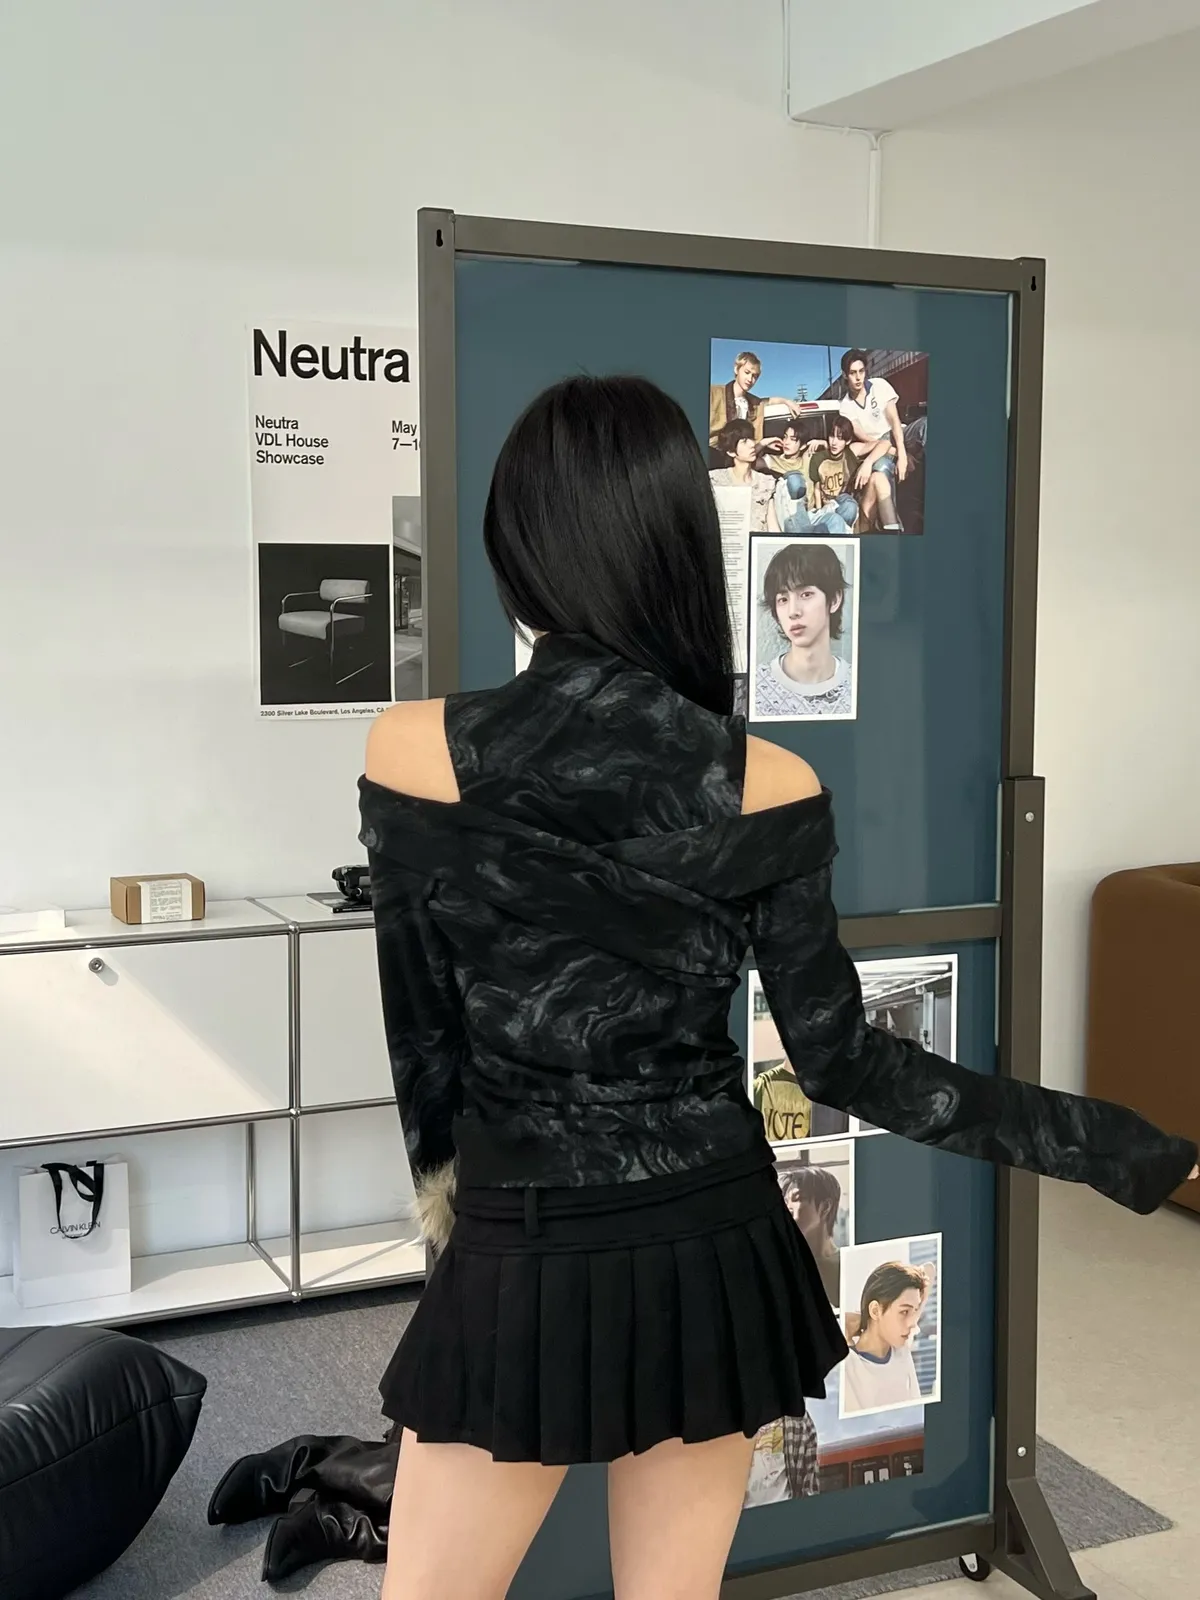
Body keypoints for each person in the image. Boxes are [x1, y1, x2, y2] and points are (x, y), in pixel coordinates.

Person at [277, 372, 1188, 1600]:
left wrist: (454, 1234)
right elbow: (850, 1061)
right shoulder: (768, 780)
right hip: (708, 1243)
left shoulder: (411, 747)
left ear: (519, 544)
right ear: (676, 547)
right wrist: (1114, 1144)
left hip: (523, 1242)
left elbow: (423, 1044)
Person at [753, 541, 854, 718]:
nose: (793, 612)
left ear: (834, 599)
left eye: (806, 594)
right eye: (783, 599)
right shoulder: (755, 688)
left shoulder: (858, 684)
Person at [841, 1263, 930, 1417]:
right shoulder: (848, 1364)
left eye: (915, 1312)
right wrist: (850, 1322)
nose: (912, 1323)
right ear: (875, 1311)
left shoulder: (901, 1350)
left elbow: (929, 1269)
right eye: (904, 1312)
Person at [838, 348, 906, 532]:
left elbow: (894, 420)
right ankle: (891, 523)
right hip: (879, 447)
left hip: (900, 433)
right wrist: (894, 452)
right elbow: (868, 439)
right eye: (853, 373)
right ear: (845, 375)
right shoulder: (846, 407)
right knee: (880, 467)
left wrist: (902, 453)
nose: (858, 377)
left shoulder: (879, 385)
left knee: (924, 427)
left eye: (861, 371)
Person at [709, 349, 801, 460]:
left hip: (741, 460)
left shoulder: (753, 403)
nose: (750, 379)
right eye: (747, 372)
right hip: (713, 457)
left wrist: (787, 401)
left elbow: (769, 401)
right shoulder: (713, 393)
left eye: (755, 376)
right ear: (736, 369)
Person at [782, 1164, 843, 1309]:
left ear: (825, 1207)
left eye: (797, 1198)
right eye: (785, 1202)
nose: (788, 1208)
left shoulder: (847, 1264)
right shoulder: (783, 1265)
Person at [709, 418, 781, 532]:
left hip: (756, 542)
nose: (752, 444)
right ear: (731, 451)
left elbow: (773, 526)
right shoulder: (716, 480)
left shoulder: (765, 483)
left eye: (751, 439)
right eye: (744, 441)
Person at [806, 415, 864, 535]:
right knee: (834, 520)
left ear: (848, 441)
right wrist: (819, 509)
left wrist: (868, 463)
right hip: (825, 509)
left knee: (850, 506)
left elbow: (882, 444)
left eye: (840, 438)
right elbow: (817, 488)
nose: (834, 442)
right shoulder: (818, 458)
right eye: (832, 436)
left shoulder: (851, 453)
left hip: (842, 503)